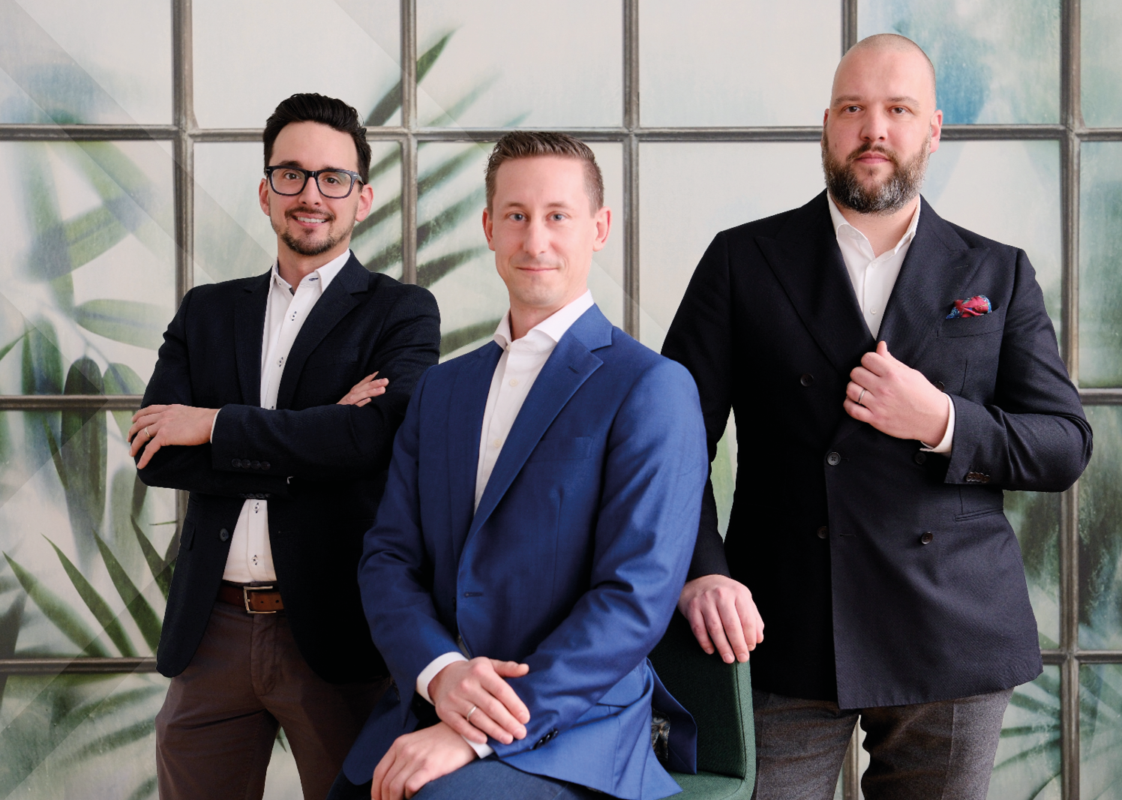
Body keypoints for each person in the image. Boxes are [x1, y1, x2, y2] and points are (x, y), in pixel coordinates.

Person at [661, 34, 1092, 800]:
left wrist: (942, 420)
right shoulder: (741, 260)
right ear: (827, 124)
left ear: (933, 129)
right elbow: (671, 438)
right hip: (776, 621)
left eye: (899, 109)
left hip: (950, 629)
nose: (874, 129)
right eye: (854, 109)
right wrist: (702, 570)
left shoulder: (997, 270)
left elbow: (1064, 445)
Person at [328, 132, 707, 800]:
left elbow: (634, 597)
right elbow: (387, 560)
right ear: (488, 228)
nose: (536, 241)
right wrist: (441, 672)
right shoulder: (442, 391)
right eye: (516, 216)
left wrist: (477, 730)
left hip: (576, 729)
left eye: (558, 216)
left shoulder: (651, 386)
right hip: (430, 699)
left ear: (600, 228)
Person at [128, 93, 441, 800]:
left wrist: (212, 425)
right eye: (292, 175)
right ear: (266, 192)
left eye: (333, 178)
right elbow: (158, 454)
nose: (311, 195)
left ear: (362, 199)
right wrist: (317, 429)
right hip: (211, 630)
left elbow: (370, 440)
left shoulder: (401, 312)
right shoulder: (207, 310)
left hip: (335, 635)